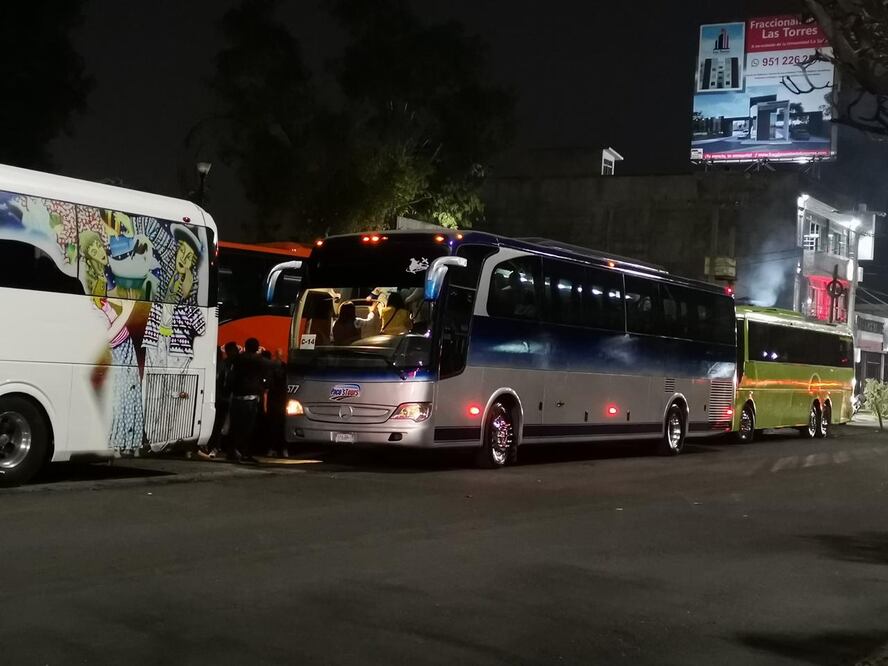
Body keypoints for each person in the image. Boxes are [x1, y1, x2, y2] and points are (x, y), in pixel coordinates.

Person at [226, 337, 269, 463]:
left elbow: (231, 377)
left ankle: (231, 452)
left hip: (236, 397)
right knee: (248, 428)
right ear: (256, 348)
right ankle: (245, 453)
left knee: (235, 427)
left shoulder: (237, 359)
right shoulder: (259, 360)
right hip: (251, 398)